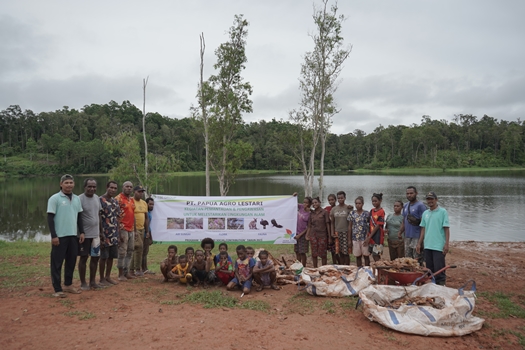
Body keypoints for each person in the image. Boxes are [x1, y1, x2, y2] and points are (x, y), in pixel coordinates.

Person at [47, 174, 84, 297]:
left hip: (73, 235)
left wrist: (82, 232)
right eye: (66, 183)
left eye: (71, 183)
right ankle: (57, 289)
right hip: (60, 236)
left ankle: (68, 285)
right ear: (61, 184)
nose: (69, 185)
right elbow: (50, 218)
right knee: (57, 263)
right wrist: (54, 236)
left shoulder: (77, 199)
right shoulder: (55, 198)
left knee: (71, 261)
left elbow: (79, 217)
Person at [417, 192, 450, 286]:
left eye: (432, 199)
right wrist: (419, 243)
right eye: (428, 199)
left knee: (439, 267)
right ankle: (432, 284)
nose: (430, 201)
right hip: (428, 245)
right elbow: (423, 228)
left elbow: (446, 228)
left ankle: (441, 285)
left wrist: (446, 244)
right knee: (429, 268)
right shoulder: (425, 213)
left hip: (438, 245)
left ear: (436, 199)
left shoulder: (442, 212)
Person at [77, 178, 102, 291]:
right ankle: (83, 282)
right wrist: (81, 232)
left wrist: (101, 232)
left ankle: (93, 281)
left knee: (95, 258)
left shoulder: (97, 198)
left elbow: (99, 215)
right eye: (89, 186)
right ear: (85, 187)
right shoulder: (79, 199)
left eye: (94, 186)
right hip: (84, 235)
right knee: (83, 258)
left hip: (95, 235)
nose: (92, 188)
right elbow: (77, 217)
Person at [99, 180, 121, 286]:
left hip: (114, 233)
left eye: (115, 188)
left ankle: (108, 276)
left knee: (111, 256)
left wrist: (119, 234)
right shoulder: (100, 200)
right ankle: (102, 278)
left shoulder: (115, 201)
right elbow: (98, 217)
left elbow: (118, 218)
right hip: (104, 233)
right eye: (111, 187)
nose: (113, 190)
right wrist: (100, 234)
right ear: (106, 187)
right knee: (103, 256)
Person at [399, 186, 427, 265]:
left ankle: (419, 275)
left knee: (417, 259)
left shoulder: (420, 206)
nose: (409, 195)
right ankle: (410, 275)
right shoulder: (405, 205)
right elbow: (404, 221)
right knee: (408, 259)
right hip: (407, 236)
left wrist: (420, 242)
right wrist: (400, 231)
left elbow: (423, 225)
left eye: (411, 193)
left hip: (417, 236)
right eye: (407, 193)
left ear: (416, 193)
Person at [115, 181, 136, 281]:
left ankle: (126, 271)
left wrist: (135, 230)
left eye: (130, 187)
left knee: (130, 250)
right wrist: (118, 232)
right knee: (122, 251)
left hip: (131, 229)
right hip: (122, 228)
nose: (129, 188)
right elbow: (115, 216)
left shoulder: (132, 200)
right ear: (123, 187)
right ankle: (120, 274)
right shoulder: (118, 199)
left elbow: (133, 215)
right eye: (127, 186)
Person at [307, 197, 331, 268]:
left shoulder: (324, 212)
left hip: (322, 235)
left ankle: (323, 269)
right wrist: (307, 235)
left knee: (323, 254)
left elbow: (327, 225)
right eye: (313, 203)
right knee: (314, 254)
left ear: (319, 203)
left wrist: (329, 237)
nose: (314, 204)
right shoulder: (312, 213)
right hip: (313, 235)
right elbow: (309, 226)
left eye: (316, 202)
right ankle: (315, 269)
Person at [130, 185, 148, 277]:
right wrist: (134, 230)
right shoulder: (131, 201)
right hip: (133, 229)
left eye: (142, 192)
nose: (141, 193)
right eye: (139, 192)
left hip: (142, 229)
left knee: (137, 248)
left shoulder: (144, 203)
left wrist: (147, 230)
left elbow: (146, 217)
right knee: (138, 247)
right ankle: (136, 269)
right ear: (134, 192)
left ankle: (132, 269)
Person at [330, 191, 353, 265]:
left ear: (345, 198)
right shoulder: (334, 209)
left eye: (342, 198)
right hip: (337, 232)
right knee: (340, 252)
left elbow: (350, 223)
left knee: (346, 252)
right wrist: (332, 232)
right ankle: (342, 267)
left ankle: (347, 267)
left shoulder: (348, 208)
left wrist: (349, 238)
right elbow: (332, 222)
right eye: (339, 198)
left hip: (346, 232)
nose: (340, 199)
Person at [347, 196, 371, 267]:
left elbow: (369, 226)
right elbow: (350, 227)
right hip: (355, 238)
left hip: (364, 238)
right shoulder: (352, 213)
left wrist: (368, 237)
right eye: (356, 203)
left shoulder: (367, 214)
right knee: (358, 256)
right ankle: (359, 270)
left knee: (366, 256)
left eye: (359, 203)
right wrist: (349, 240)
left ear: (363, 204)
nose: (358, 205)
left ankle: (367, 270)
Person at [366, 193, 385, 262]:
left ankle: (380, 269)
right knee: (372, 254)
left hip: (378, 237)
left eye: (375, 201)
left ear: (380, 201)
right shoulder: (372, 211)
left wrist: (369, 237)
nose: (374, 203)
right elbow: (368, 222)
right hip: (371, 236)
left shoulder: (381, 211)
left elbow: (378, 226)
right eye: (373, 201)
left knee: (376, 254)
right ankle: (377, 269)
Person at [294, 196, 312, 267]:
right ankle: (298, 266)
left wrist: (300, 235)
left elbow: (308, 227)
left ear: (309, 204)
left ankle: (303, 267)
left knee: (302, 253)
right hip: (296, 233)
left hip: (303, 235)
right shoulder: (300, 207)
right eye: (304, 202)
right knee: (297, 251)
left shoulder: (310, 214)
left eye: (306, 203)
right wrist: (295, 196)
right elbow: (293, 202)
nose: (304, 204)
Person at [324, 194, 339, 264]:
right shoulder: (327, 209)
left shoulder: (338, 208)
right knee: (332, 251)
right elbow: (318, 212)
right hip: (328, 231)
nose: (331, 201)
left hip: (336, 231)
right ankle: (334, 264)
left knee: (337, 251)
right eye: (329, 200)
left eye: (332, 200)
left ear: (335, 200)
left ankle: (340, 263)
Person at [142, 197, 155, 274]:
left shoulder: (149, 213)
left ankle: (145, 268)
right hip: (144, 235)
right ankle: (143, 269)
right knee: (143, 252)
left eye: (153, 204)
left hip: (147, 234)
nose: (151, 206)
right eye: (150, 204)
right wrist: (149, 235)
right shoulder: (145, 213)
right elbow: (146, 225)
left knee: (145, 252)